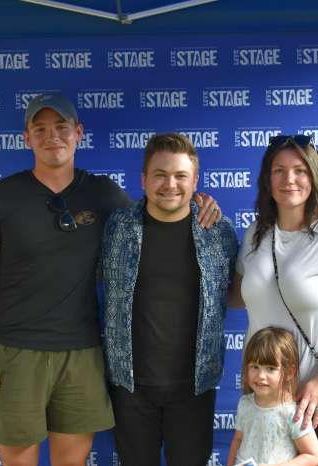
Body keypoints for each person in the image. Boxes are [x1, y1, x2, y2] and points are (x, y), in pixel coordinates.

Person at [0, 94, 220, 466]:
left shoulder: (103, 194)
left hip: (83, 353)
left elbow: (159, 211)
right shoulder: (0, 198)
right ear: (26, 138)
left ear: (78, 133)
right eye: (40, 129)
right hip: (16, 352)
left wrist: (200, 203)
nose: (52, 136)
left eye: (61, 127)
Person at [229, 135, 318, 466]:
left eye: (300, 170)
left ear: (315, 176)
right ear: (267, 179)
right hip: (267, 396)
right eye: (279, 170)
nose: (289, 179)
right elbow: (235, 296)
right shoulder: (255, 234)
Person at [101, 133, 238, 466]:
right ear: (144, 179)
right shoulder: (117, 227)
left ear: (195, 182)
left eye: (180, 176)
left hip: (195, 385)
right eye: (160, 175)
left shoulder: (218, 231)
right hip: (129, 384)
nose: (170, 184)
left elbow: (242, 290)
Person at [227, 326, 318, 466]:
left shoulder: (292, 412)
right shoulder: (245, 403)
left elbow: (312, 456)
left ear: (289, 372)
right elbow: (238, 439)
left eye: (270, 369)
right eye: (255, 367)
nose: (260, 376)